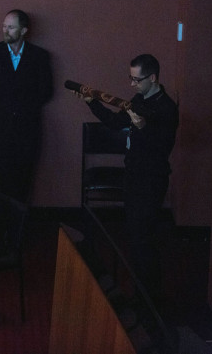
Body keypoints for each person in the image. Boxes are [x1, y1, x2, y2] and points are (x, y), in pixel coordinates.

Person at [79, 53, 178, 305]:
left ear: (153, 78)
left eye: (137, 79)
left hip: (151, 181)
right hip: (133, 177)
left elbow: (161, 148)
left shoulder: (167, 108)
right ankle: (141, 294)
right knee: (135, 238)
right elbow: (115, 122)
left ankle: (149, 299)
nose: (132, 84)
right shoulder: (139, 99)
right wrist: (92, 103)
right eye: (130, 78)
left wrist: (143, 128)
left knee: (143, 239)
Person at [0, 9, 53, 203]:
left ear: (24, 31)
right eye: (4, 26)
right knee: (3, 181)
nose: (5, 30)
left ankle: (20, 228)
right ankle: (3, 227)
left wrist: (24, 109)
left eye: (11, 27)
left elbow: (46, 90)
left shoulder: (39, 56)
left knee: (24, 182)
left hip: (28, 131)